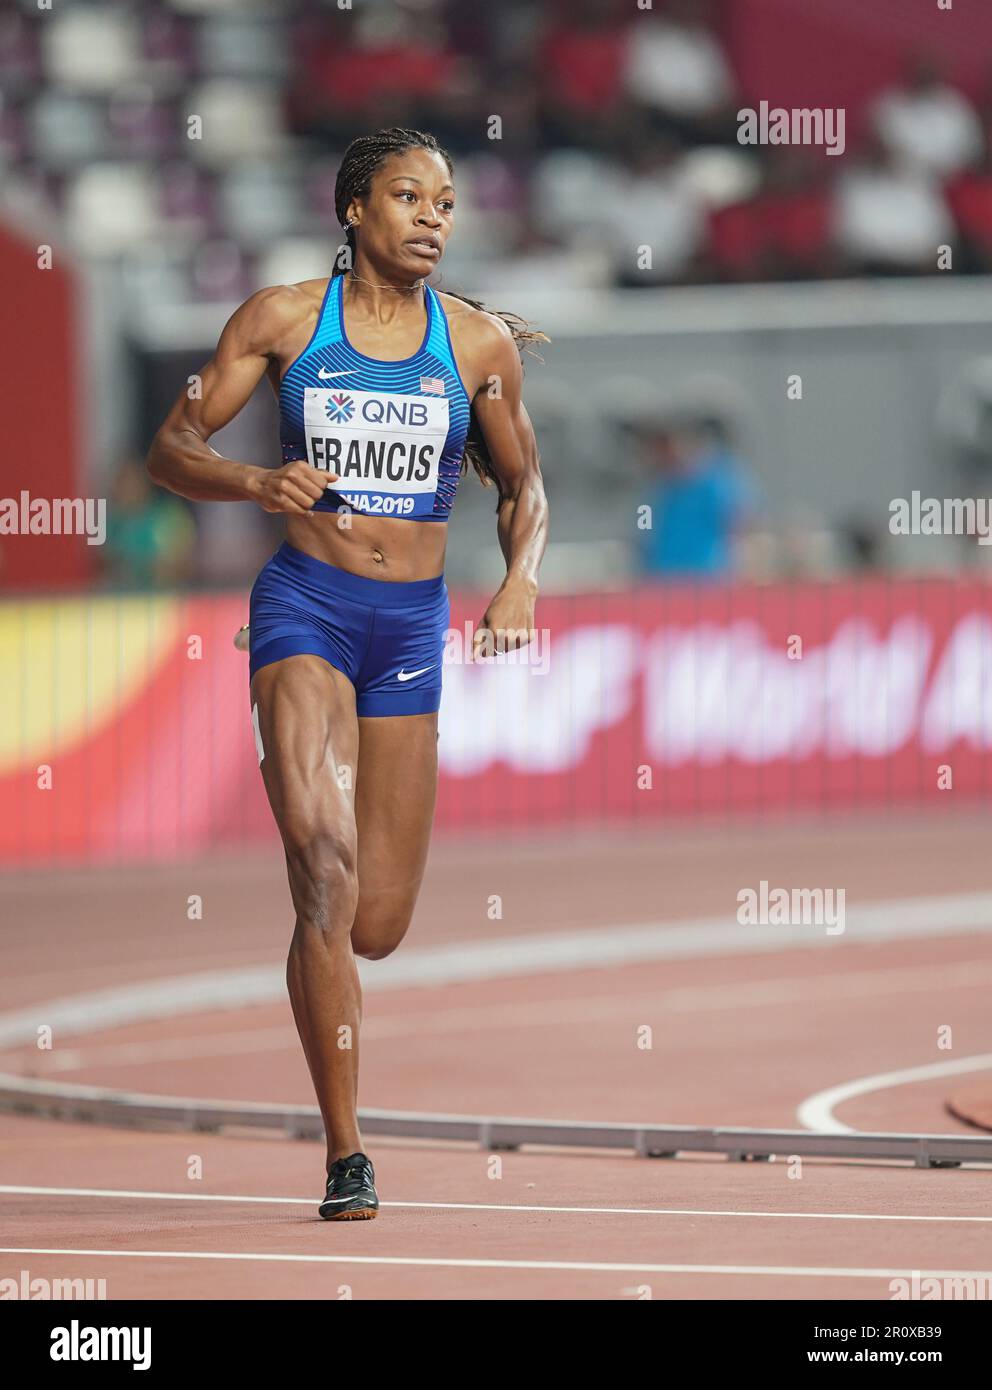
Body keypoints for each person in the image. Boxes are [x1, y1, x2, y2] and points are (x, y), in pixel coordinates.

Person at [146, 127, 549, 1219]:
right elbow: (171, 447)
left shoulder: (474, 347)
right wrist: (251, 481)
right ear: (353, 210)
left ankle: (331, 980)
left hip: (409, 625)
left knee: (374, 922)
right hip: (305, 609)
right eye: (410, 197)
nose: (433, 218)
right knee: (320, 863)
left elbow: (524, 490)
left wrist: (516, 583)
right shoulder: (282, 320)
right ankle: (345, 1150)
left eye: (448, 202)